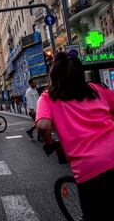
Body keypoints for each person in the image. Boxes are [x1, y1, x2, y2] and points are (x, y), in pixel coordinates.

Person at [36, 52, 114, 220]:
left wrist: (50, 143)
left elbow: (43, 125)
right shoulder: (96, 89)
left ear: (53, 74)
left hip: (90, 169)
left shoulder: (48, 97)